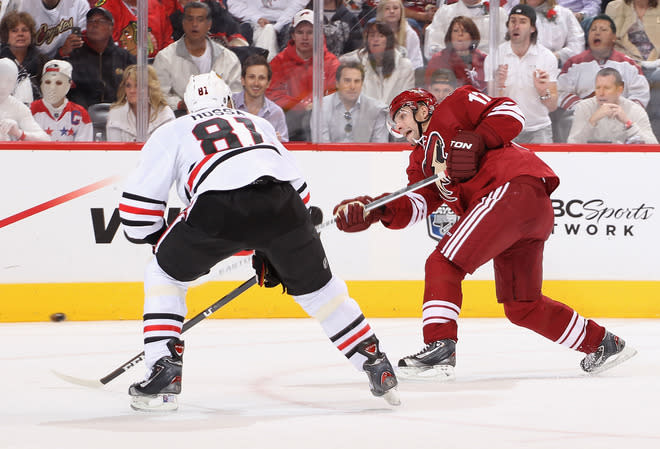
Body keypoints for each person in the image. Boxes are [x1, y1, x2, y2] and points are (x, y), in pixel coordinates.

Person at [119, 72, 400, 411]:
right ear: (228, 102)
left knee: (164, 275)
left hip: (216, 206)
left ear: (187, 107)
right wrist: (274, 245)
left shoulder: (173, 130)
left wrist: (155, 241)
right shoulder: (255, 122)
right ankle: (374, 360)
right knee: (320, 290)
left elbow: (137, 211)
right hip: (285, 203)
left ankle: (163, 369)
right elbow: (302, 193)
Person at [332, 85, 637, 382]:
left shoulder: (455, 104)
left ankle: (440, 347)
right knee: (522, 306)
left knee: (443, 264)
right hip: (523, 209)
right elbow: (417, 203)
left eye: (401, 116)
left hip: (512, 187)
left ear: (423, 110)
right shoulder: (419, 163)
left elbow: (510, 112)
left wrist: (477, 139)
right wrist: (375, 211)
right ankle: (603, 344)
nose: (397, 125)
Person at [485, 4, 559, 143]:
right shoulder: (494, 56)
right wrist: (498, 86)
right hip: (505, 128)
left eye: (522, 21)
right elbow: (490, 104)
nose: (516, 26)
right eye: (513, 21)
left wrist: (543, 91)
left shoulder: (547, 57)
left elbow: (552, 106)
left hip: (538, 129)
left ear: (532, 28)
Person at [153, 1, 241, 115]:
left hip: (222, 118)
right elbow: (158, 94)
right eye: (190, 19)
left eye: (200, 20)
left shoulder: (228, 58)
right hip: (181, 118)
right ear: (183, 23)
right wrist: (180, 104)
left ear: (209, 25)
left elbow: (236, 94)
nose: (194, 24)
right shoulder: (165, 57)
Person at [267, 9, 340, 141]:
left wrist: (315, 105)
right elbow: (273, 95)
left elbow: (335, 94)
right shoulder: (279, 62)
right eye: (300, 32)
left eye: (310, 32)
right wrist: (302, 105)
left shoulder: (331, 62)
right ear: (293, 35)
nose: (304, 37)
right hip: (290, 121)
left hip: (322, 120)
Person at [557, 14, 650, 110]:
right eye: (593, 30)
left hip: (620, 119)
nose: (597, 33)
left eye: (603, 30)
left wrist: (620, 111)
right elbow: (561, 92)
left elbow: (640, 94)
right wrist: (583, 108)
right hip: (583, 119)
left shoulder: (629, 64)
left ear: (614, 37)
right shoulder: (573, 63)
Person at [567, 67, 658, 143]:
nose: (601, 93)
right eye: (598, 88)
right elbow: (572, 144)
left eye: (607, 88)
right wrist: (592, 121)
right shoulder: (584, 107)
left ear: (619, 90)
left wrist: (628, 123)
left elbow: (653, 147)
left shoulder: (635, 110)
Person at [340, 20, 414, 106]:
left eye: (381, 36)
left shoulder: (404, 66)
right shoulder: (355, 63)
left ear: (389, 40)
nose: (375, 39)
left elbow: (407, 100)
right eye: (372, 36)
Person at [318, 61, 388, 142]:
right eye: (347, 81)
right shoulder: (321, 106)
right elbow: (322, 149)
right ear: (337, 83)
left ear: (362, 84)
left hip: (365, 155)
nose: (352, 86)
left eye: (357, 81)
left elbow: (380, 150)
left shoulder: (377, 110)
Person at [105, 64, 175, 141]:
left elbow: (170, 148)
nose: (132, 91)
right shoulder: (115, 114)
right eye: (128, 85)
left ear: (150, 87)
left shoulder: (165, 113)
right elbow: (114, 150)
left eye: (137, 86)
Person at [30, 59, 93, 141]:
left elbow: (84, 149)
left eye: (59, 83)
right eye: (48, 82)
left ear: (69, 85)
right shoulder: (29, 111)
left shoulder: (80, 114)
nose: (52, 88)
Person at [227, 0, 308, 61]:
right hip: (252, 20)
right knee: (239, 38)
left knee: (299, 35)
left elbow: (298, 4)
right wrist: (256, 18)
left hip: (286, 21)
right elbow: (233, 4)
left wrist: (277, 26)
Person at [232, 54, 288, 141]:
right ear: (243, 80)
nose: (256, 83)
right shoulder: (229, 104)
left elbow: (285, 149)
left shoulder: (276, 112)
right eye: (251, 77)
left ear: (268, 83)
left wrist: (277, 143)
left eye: (261, 78)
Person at [424, 0, 507, 59]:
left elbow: (504, 47)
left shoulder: (498, 13)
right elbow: (433, 47)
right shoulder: (444, 13)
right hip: (452, 72)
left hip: (488, 70)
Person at [424, 15, 487, 91]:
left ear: (472, 36)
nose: (460, 34)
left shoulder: (483, 59)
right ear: (450, 36)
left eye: (465, 31)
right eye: (455, 31)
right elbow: (432, 90)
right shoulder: (438, 59)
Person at [96, 0, 173, 58]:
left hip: (155, 70)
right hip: (121, 70)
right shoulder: (105, 9)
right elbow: (104, 49)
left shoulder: (156, 5)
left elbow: (167, 42)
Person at [0, 10, 47, 104]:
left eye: (25, 30)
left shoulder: (42, 60)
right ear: (6, 35)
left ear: (31, 34)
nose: (20, 34)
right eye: (14, 31)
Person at [520, 0, 584, 66]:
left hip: (561, 66)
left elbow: (577, 45)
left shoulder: (565, 13)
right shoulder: (515, 16)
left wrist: (556, 56)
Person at [0, 57, 49, 141]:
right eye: (0, 79)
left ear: (15, 83)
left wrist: (19, 133)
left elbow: (45, 139)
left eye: (9, 81)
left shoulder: (19, 108)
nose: (3, 86)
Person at [24, 0, 89, 59]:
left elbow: (85, 41)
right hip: (34, 62)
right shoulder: (23, 4)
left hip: (68, 60)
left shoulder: (79, 3)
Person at [377, 0, 423, 70]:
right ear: (381, 12)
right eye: (387, 8)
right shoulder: (373, 33)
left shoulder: (410, 34)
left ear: (401, 11)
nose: (392, 11)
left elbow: (416, 63)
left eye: (395, 8)